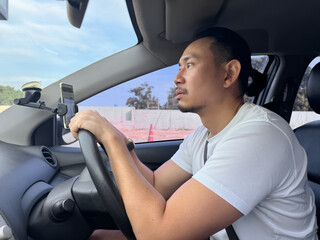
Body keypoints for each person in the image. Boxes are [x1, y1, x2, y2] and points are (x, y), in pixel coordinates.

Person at [69, 27, 318, 240]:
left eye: (189, 65)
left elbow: (157, 233)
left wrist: (111, 141)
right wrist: (120, 142)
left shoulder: (261, 135)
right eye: (179, 67)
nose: (177, 78)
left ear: (229, 74)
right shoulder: (203, 135)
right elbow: (156, 184)